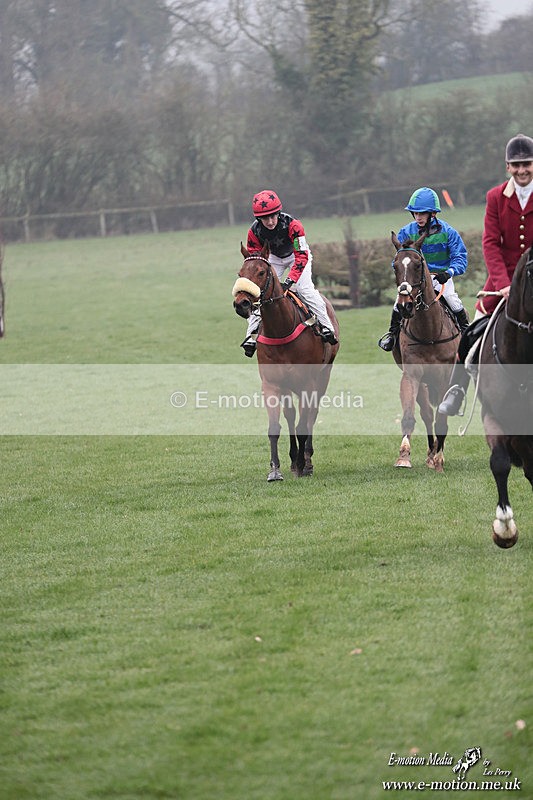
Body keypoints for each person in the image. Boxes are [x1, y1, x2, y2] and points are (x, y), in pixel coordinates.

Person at [438, 133, 533, 416]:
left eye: (526, 163)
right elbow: (491, 243)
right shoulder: (495, 197)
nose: (522, 170)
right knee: (474, 330)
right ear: (507, 167)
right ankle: (457, 390)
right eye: (516, 165)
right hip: (502, 281)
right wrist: (504, 285)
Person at [240, 190, 338, 357]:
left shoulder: (293, 225)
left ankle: (327, 326)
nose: (270, 222)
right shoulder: (254, 232)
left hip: (297, 256)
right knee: (261, 294)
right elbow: (256, 261)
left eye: (273, 216)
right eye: (265, 218)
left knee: (304, 290)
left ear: (278, 213)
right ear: (258, 219)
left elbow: (301, 255)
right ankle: (251, 336)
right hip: (273, 258)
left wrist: (290, 280)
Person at [378, 187, 470, 352]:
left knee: (453, 301)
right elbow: (399, 260)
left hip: (440, 279)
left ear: (433, 213)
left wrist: (449, 272)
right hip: (414, 280)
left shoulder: (448, 232)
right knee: (397, 305)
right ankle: (392, 335)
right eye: (415, 213)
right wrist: (403, 273)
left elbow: (460, 258)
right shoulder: (406, 232)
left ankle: (466, 334)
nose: (418, 217)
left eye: (422, 213)